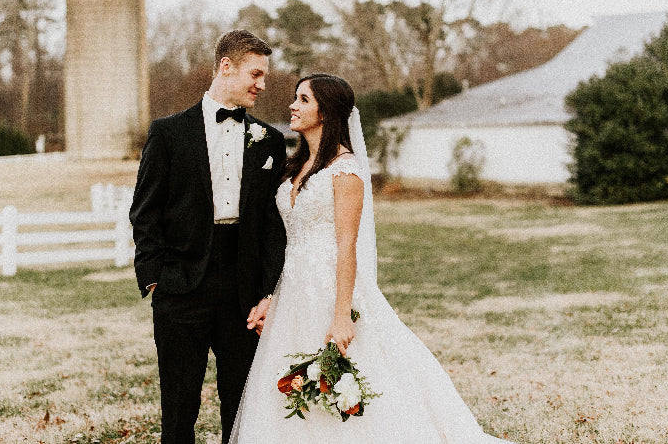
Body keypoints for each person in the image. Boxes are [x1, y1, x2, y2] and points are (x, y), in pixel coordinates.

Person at [229, 73, 513, 443]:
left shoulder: (345, 170)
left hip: (332, 290)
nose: (292, 106)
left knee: (352, 378)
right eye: (295, 98)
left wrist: (342, 314)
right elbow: (283, 240)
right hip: (293, 290)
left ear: (326, 112)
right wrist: (271, 295)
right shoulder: (293, 166)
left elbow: (347, 244)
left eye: (303, 100)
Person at [129, 30, 287, 444]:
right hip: (180, 284)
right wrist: (154, 277)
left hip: (243, 291)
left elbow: (273, 225)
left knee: (242, 407)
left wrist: (267, 290)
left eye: (264, 75)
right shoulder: (168, 133)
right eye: (256, 73)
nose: (262, 84)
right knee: (179, 406)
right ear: (225, 67)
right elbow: (145, 212)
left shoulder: (269, 140)